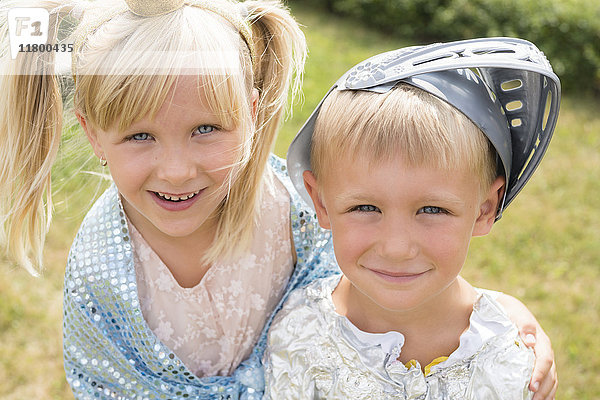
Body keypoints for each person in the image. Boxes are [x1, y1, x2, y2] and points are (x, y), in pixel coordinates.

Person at [0, 0, 555, 396]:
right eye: (139, 136)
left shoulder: (293, 210)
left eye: (206, 129)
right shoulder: (99, 273)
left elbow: (381, 291)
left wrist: (493, 319)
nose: (176, 169)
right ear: (94, 133)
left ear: (254, 111)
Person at [265, 38, 561, 399]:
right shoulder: (296, 333)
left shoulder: (512, 358)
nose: (396, 248)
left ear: (485, 209)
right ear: (321, 202)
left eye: (433, 210)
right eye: (365, 208)